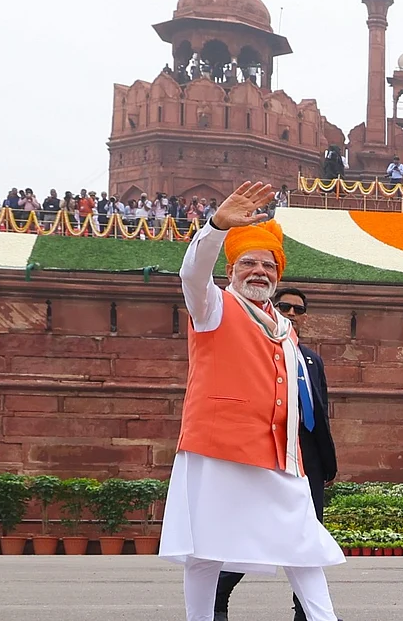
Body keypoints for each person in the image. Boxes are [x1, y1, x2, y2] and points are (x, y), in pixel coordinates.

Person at [158, 181, 346, 621]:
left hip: (280, 456)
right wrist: (217, 226)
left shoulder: (285, 328)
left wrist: (301, 457)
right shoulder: (214, 307)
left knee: (303, 545)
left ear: (278, 274)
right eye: (248, 263)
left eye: (268, 265)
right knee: (205, 550)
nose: (259, 271)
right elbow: (191, 274)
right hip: (218, 448)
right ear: (231, 270)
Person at [215, 285, 338, 621]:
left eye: (299, 309)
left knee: (307, 534)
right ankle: (217, 597)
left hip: (307, 455)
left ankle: (308, 612)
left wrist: (324, 463)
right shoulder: (257, 351)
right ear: (273, 306)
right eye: (285, 306)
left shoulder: (311, 358)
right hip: (270, 450)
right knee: (257, 530)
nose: (292, 313)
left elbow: (320, 410)